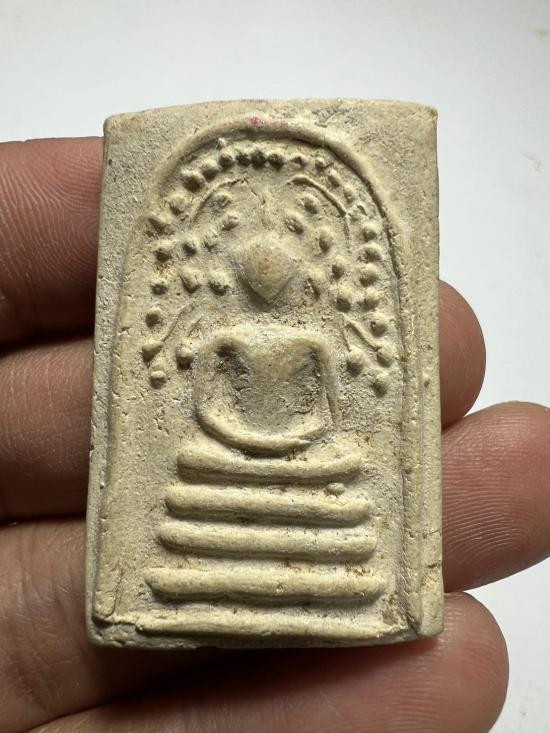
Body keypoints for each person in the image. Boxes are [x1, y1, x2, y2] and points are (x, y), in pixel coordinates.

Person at [0, 137, 548, 733]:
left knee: (340, 484)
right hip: (228, 446)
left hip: (301, 447)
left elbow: (331, 410)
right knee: (193, 485)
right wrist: (236, 437)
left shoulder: (314, 338)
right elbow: (206, 406)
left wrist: (296, 438)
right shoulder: (222, 336)